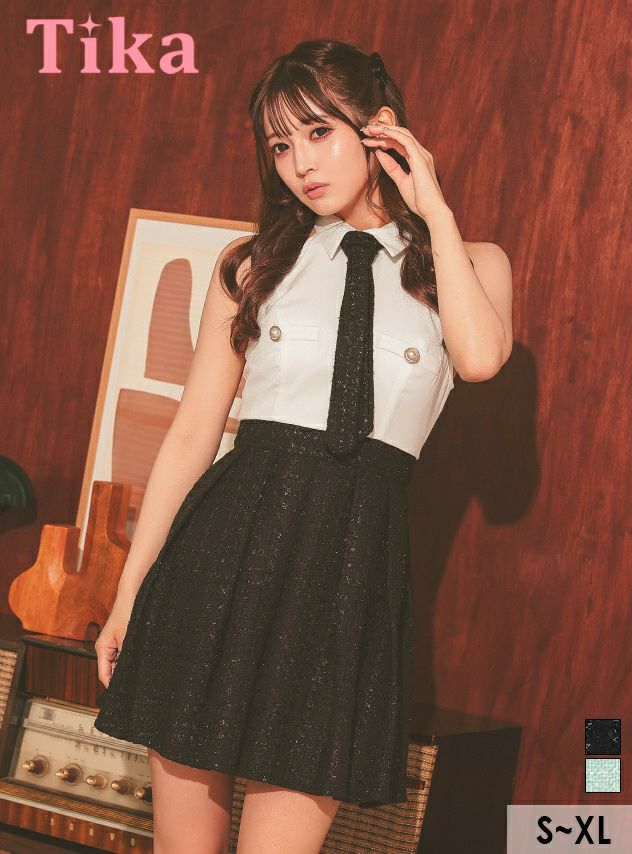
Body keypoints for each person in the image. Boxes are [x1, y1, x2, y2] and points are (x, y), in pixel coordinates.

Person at [93, 38, 512, 854]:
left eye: (319, 132)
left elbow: (480, 359)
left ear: (380, 128)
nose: (300, 164)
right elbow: (191, 437)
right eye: (280, 145)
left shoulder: (469, 263)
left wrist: (434, 209)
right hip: (218, 568)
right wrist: (129, 591)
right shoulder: (253, 265)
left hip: (346, 588)